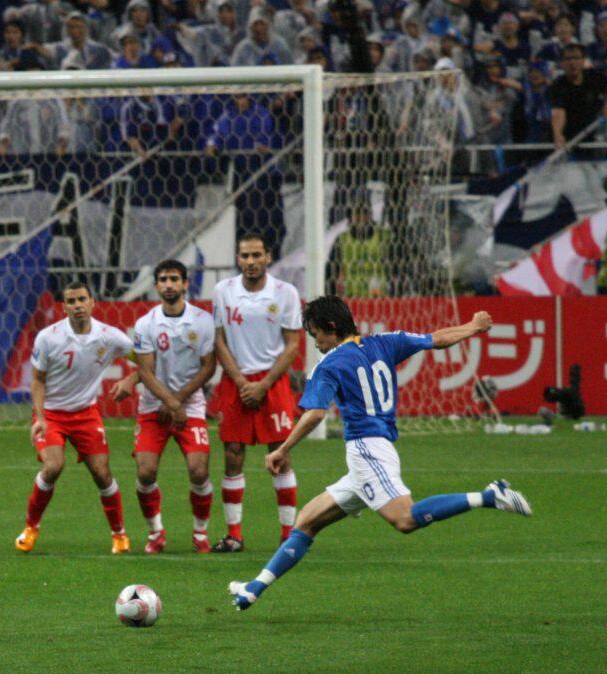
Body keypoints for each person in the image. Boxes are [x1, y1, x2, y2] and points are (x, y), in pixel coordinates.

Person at [228, 296, 532, 611]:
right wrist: (473, 326)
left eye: (316, 334)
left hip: (366, 451)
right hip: (377, 450)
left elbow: (316, 413)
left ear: (331, 328)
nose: (315, 342)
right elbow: (436, 339)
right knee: (306, 521)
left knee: (405, 519)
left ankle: (489, 496)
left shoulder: (328, 365)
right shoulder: (386, 342)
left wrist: (283, 448)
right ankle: (254, 588)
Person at [14, 281, 134, 555]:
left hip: (86, 413)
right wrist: (40, 418)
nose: (77, 305)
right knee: (53, 466)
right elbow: (37, 380)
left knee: (102, 473)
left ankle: (119, 534)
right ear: (64, 307)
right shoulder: (48, 338)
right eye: (71, 301)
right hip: (51, 414)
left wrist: (131, 379)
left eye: (82, 299)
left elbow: (146, 359)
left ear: (92, 303)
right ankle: (31, 527)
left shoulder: (110, 337)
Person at [210, 234, 302, 552]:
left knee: (281, 454)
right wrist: (240, 381)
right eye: (245, 256)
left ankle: (288, 536)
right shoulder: (223, 291)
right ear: (238, 259)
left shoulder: (285, 292)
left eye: (256, 255)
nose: (250, 261)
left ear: (267, 257)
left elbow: (292, 344)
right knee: (232, 454)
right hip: (235, 380)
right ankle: (234, 535)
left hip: (272, 381)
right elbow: (219, 341)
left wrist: (263, 385)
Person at [120, 260, 217, 554]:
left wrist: (178, 401)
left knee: (198, 470)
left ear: (185, 284)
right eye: (163, 279)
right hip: (153, 407)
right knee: (145, 472)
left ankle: (200, 532)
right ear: (156, 286)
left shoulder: (202, 320)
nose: (168, 284)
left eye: (174, 279)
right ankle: (155, 533)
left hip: (191, 406)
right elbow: (145, 371)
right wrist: (170, 402)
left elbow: (208, 367)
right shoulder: (145, 324)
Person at [549, 43, 607, 150]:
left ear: (583, 61)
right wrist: (557, 134)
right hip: (572, 137)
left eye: (576, 58)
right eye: (568, 59)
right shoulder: (557, 86)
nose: (572, 63)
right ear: (562, 63)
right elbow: (558, 112)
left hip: (596, 131)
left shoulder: (594, 77)